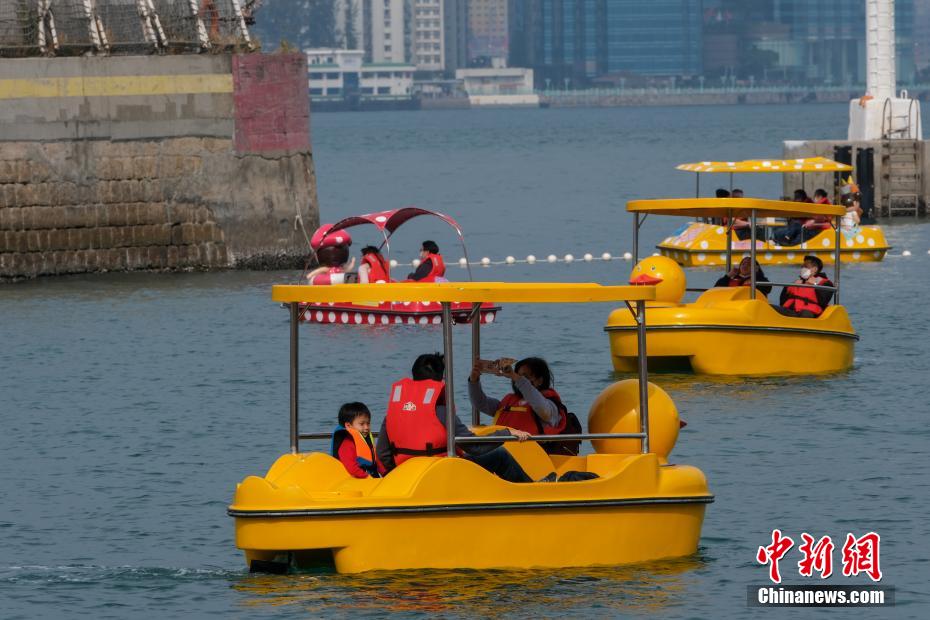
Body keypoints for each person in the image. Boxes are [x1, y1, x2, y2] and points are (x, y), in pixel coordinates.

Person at [376, 353, 545, 483]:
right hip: (441, 474)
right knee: (499, 456)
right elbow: (475, 447)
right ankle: (530, 491)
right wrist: (507, 433)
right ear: (441, 378)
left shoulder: (392, 412)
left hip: (405, 474)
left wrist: (396, 475)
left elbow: (383, 453)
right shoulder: (441, 410)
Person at [468, 357, 581, 455]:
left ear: (540, 381)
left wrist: (514, 376)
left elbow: (539, 405)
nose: (519, 379)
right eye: (518, 375)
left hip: (534, 458)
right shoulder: (508, 402)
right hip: (504, 453)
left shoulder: (549, 406)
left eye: (525, 377)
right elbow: (480, 402)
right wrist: (474, 380)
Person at [331, 402, 383, 478]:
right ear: (348, 426)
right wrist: (367, 477)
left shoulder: (366, 440)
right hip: (355, 481)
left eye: (368, 423)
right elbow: (351, 467)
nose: (366, 427)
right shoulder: (347, 443)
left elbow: (376, 462)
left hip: (369, 478)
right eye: (362, 424)